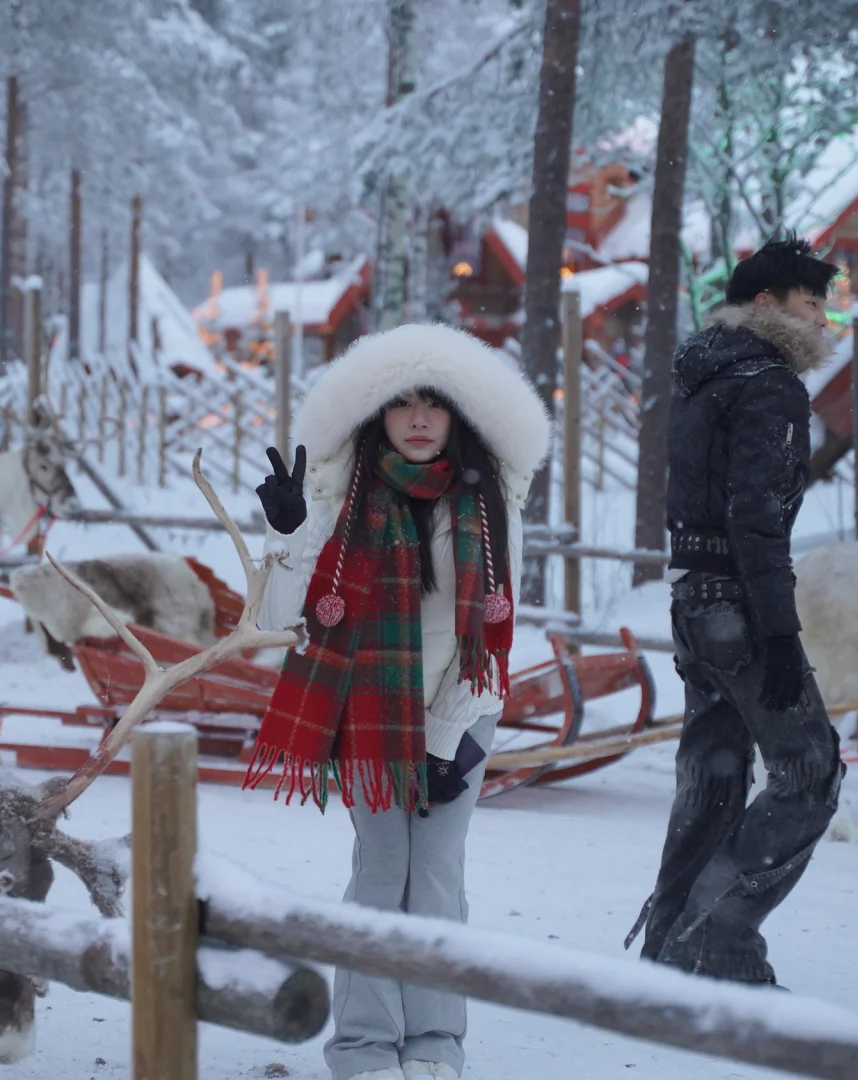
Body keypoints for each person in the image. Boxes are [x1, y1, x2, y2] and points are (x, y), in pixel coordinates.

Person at [250, 323, 548, 1080]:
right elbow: (280, 621)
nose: (417, 419)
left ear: (458, 416)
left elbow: (494, 635)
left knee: (437, 877)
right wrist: (287, 535)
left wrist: (444, 740)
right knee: (382, 873)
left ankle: (435, 1044)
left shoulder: (489, 505)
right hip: (368, 714)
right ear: (374, 415)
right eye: (400, 404)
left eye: (433, 404)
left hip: (464, 708)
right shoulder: (340, 498)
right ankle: (364, 1049)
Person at [622, 237, 845, 988]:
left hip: (694, 597)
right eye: (811, 302)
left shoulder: (706, 373)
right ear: (767, 304)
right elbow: (756, 516)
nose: (823, 318)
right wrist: (779, 632)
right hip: (741, 604)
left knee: (713, 775)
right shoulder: (768, 382)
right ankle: (717, 942)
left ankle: (669, 949)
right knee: (809, 770)